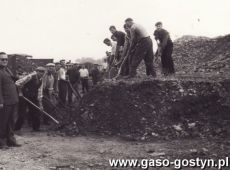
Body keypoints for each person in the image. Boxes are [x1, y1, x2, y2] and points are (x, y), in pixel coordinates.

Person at [0, 52, 20, 148]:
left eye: (6, 59)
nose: (4, 61)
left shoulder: (7, 70)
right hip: (5, 102)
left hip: (13, 100)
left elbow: (13, 80)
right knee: (2, 122)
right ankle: (2, 142)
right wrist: (1, 101)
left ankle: (11, 140)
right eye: (2, 59)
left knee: (11, 121)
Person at [16, 67, 45, 132]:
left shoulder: (41, 80)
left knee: (36, 112)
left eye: (43, 72)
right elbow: (17, 83)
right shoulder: (30, 76)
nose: (41, 73)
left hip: (33, 97)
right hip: (24, 96)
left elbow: (40, 92)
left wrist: (40, 105)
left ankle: (36, 128)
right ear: (36, 71)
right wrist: (20, 92)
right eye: (40, 71)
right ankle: (17, 128)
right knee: (22, 113)